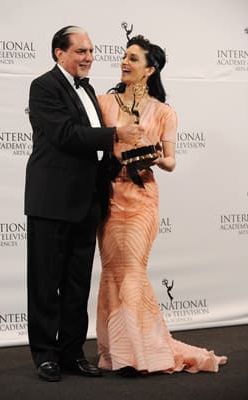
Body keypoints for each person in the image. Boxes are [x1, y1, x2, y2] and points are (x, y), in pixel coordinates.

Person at [96, 35, 227, 376]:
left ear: (150, 69)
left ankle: (142, 352)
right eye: (124, 56)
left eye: (134, 58)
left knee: (133, 271)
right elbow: (92, 144)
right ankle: (117, 353)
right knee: (112, 273)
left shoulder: (165, 112)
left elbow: (171, 162)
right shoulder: (104, 102)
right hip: (108, 197)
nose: (125, 62)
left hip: (142, 200)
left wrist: (153, 156)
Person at [24, 25, 143, 382]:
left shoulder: (88, 89)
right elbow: (65, 135)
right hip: (51, 201)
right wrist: (116, 134)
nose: (88, 58)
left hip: (86, 201)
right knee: (45, 283)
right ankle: (45, 355)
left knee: (77, 283)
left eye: (90, 51)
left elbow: (94, 149)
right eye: (80, 51)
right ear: (59, 53)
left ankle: (72, 352)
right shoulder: (43, 87)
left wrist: (127, 159)